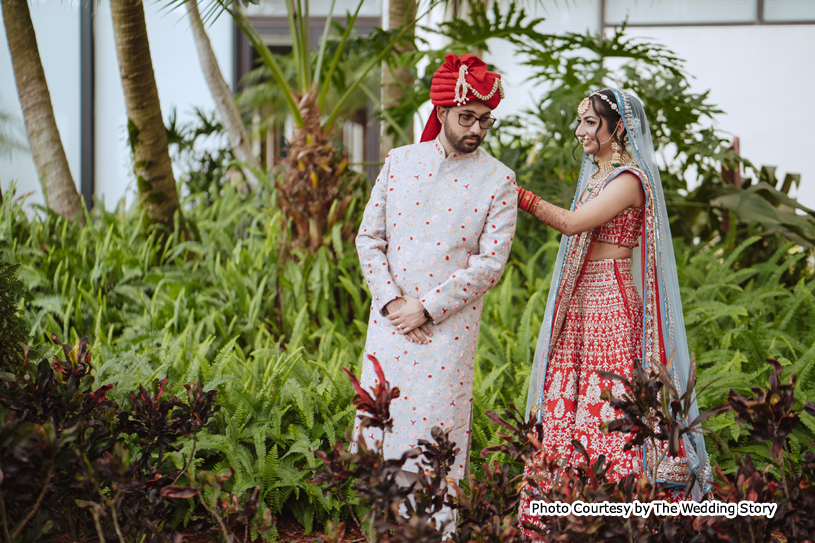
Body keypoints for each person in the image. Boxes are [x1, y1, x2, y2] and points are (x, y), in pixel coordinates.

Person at [515, 89, 711, 535]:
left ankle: (615, 509)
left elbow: (571, 224)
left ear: (617, 127)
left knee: (608, 403)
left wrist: (520, 195)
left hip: (611, 299)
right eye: (580, 120)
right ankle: (564, 507)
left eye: (589, 122)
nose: (579, 130)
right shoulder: (600, 174)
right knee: (573, 393)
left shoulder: (628, 179)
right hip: (583, 297)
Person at [352, 53, 517, 502]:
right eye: (467, 117)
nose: (477, 130)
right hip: (390, 325)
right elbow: (368, 239)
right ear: (441, 112)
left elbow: (490, 264)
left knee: (435, 442)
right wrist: (391, 302)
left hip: (447, 330)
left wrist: (425, 307)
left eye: (485, 120)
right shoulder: (399, 162)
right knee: (381, 441)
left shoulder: (499, 179)